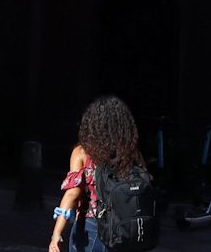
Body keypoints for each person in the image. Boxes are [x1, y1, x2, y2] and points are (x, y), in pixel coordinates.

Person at [49, 95, 144, 252]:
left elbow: (73, 193)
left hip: (90, 227)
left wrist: (56, 233)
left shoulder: (82, 152)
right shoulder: (131, 153)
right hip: (124, 227)